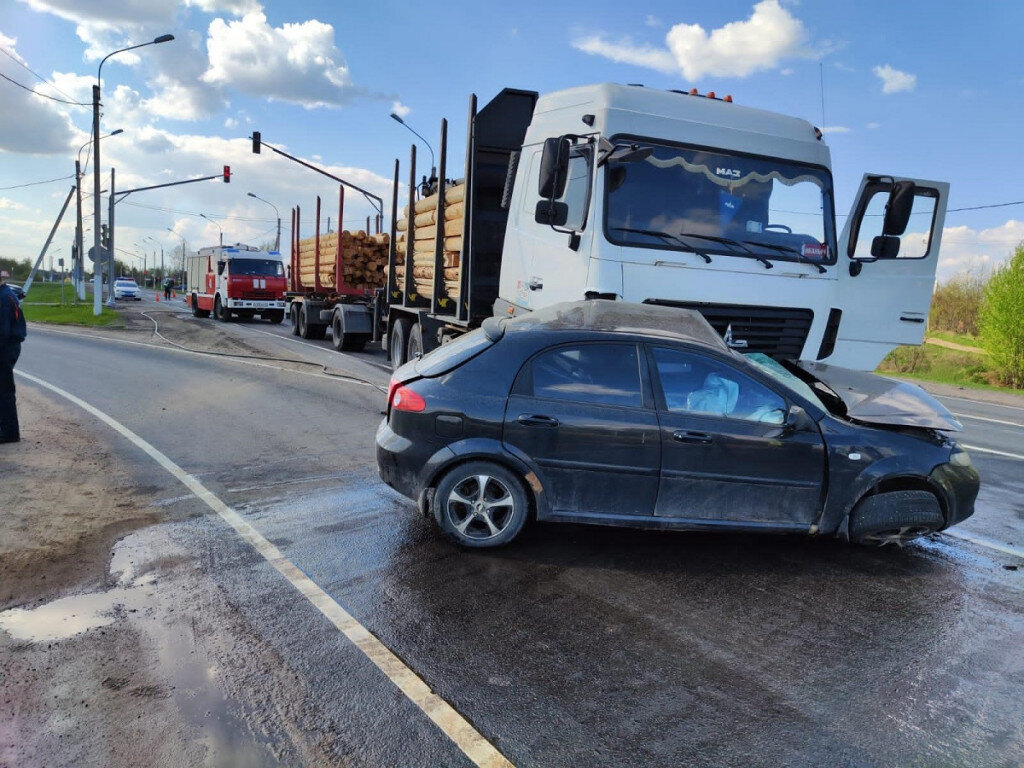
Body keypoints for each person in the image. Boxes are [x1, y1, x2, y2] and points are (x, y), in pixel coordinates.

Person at [0, 269, 27, 443]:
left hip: (5, 348)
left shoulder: (4, 299)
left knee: (4, 390)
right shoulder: (5, 295)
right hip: (7, 346)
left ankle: (9, 433)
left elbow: (2, 332)